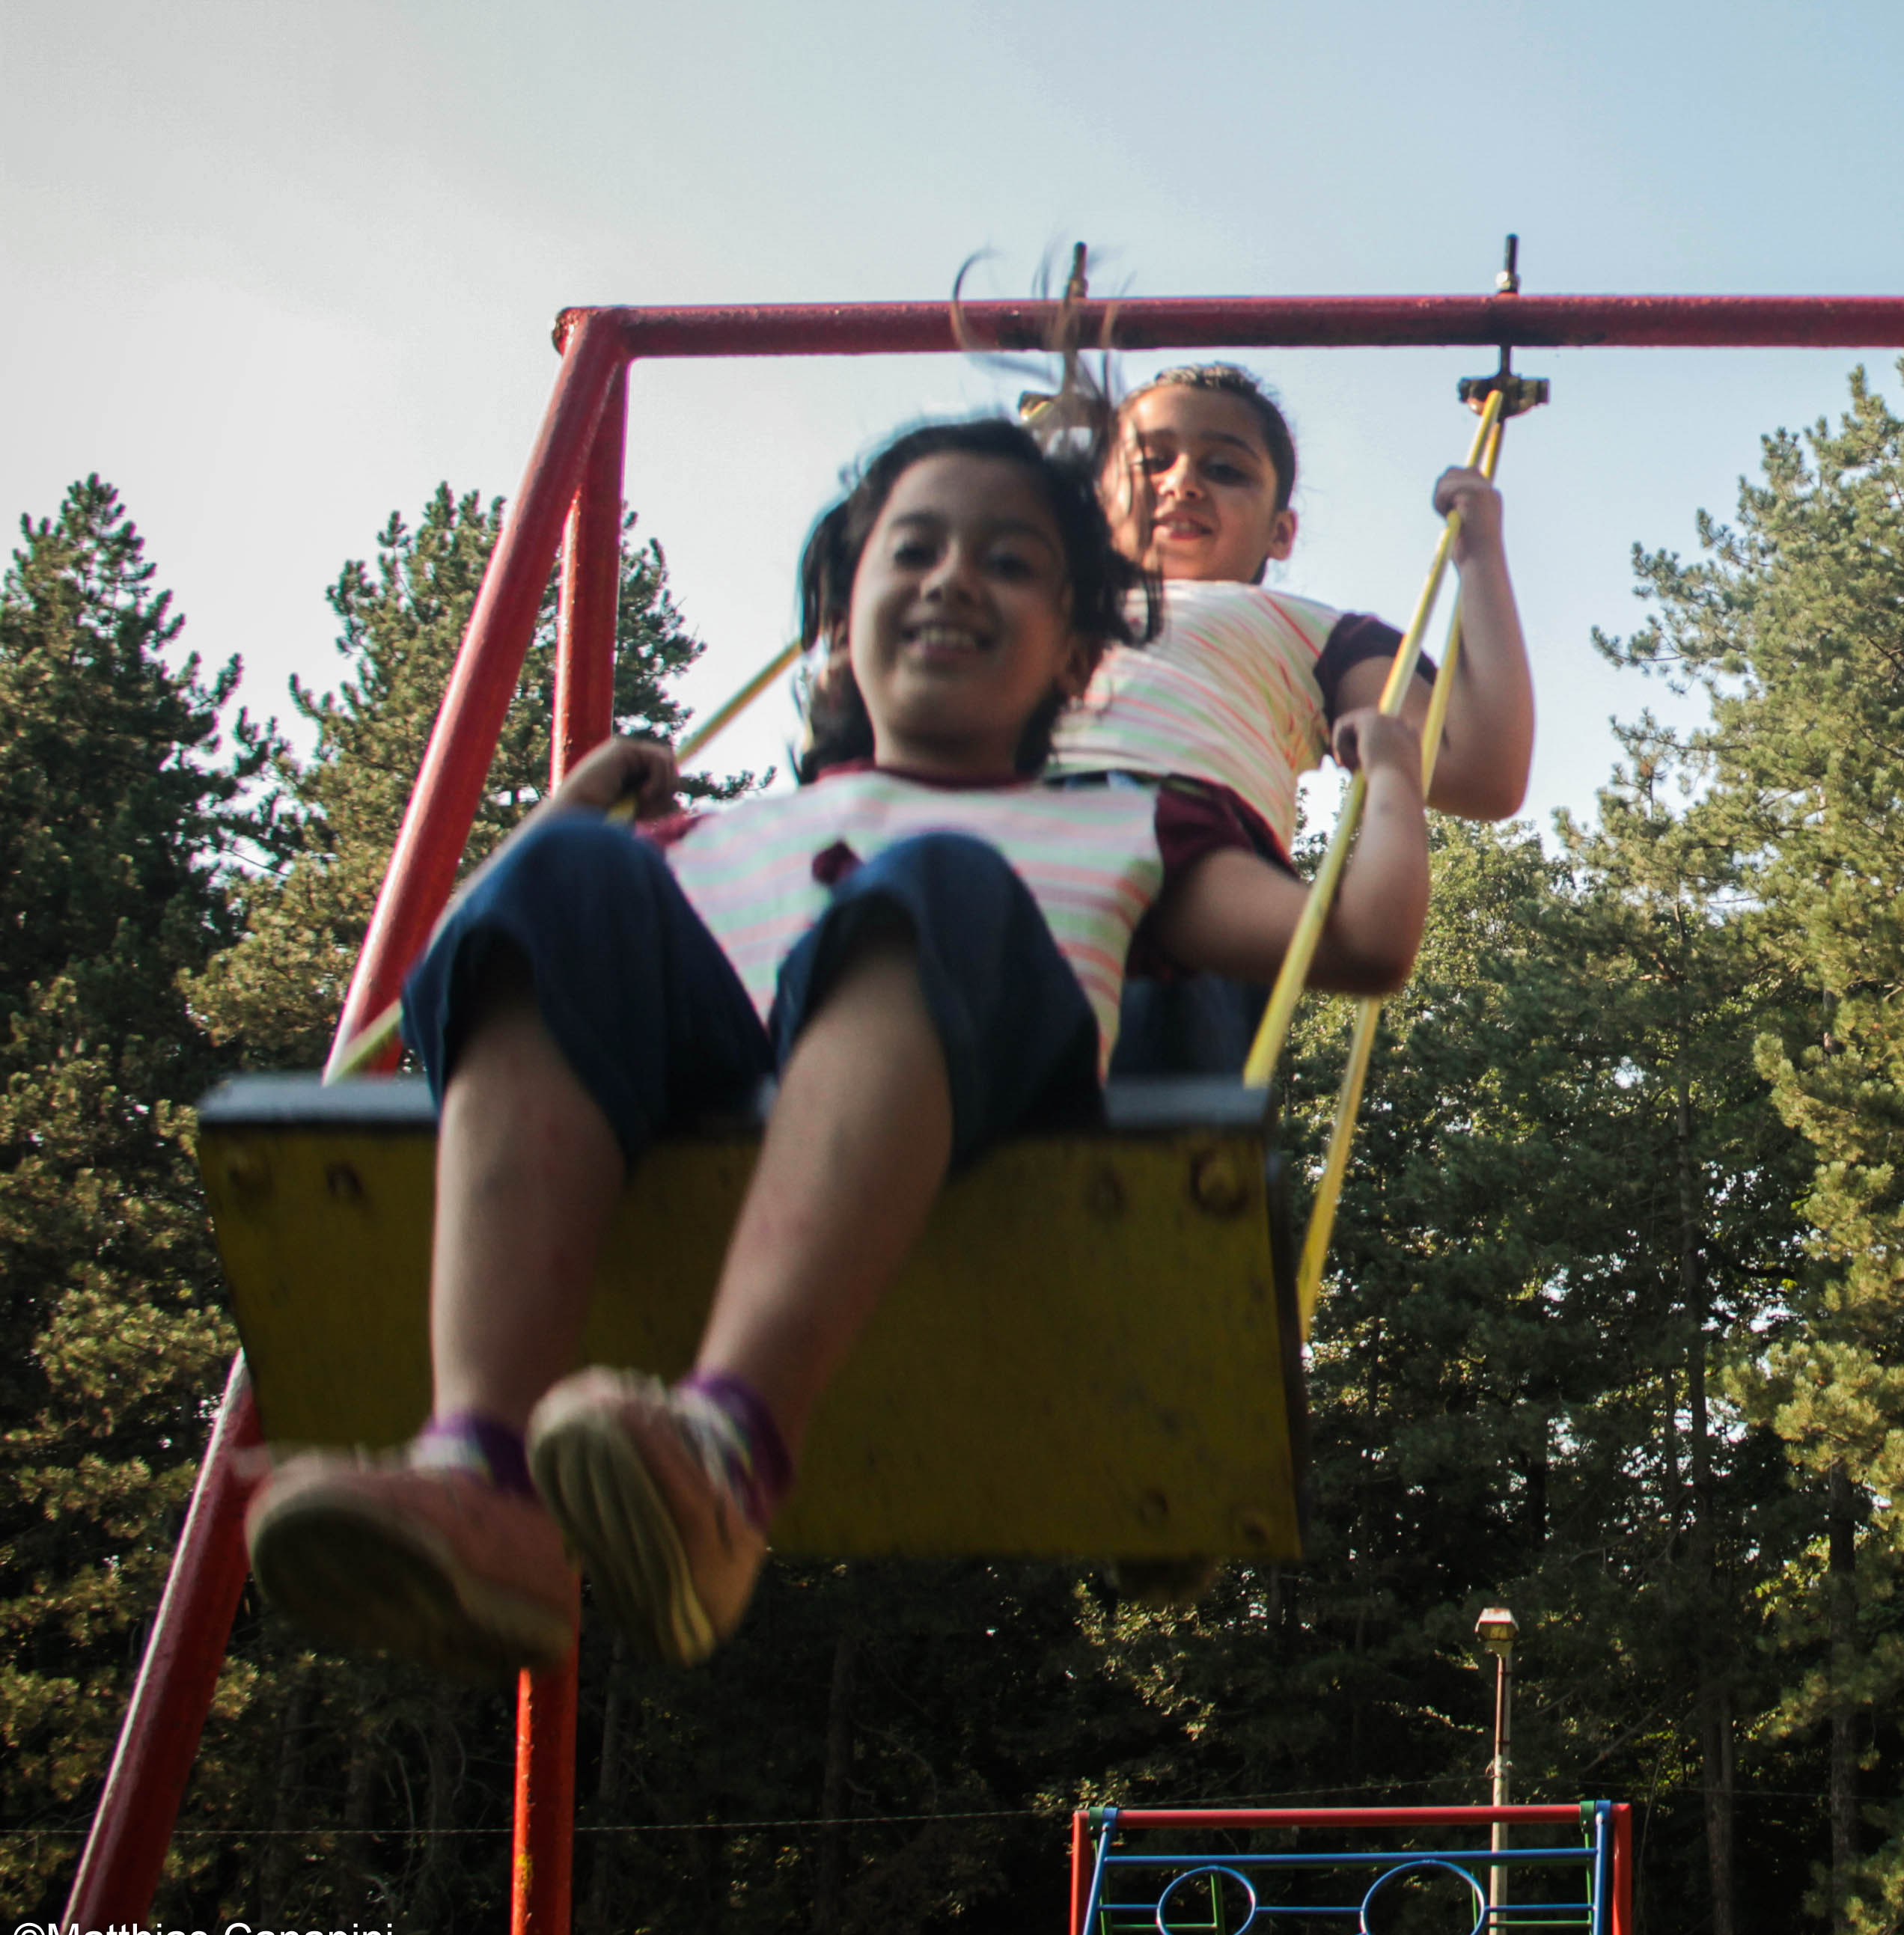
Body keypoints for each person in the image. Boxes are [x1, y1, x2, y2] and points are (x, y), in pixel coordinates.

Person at [245, 418, 1434, 1679]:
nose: (954, 577)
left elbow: (1353, 943)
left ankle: (727, 1452)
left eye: (1013, 564)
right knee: (566, 880)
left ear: (1082, 658)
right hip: (709, 1107)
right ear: (842, 617)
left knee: (930, 881)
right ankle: (484, 1472)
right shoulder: (717, 834)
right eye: (911, 549)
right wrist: (558, 823)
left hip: (977, 1147)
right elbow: (490, 983)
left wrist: (1396, 783)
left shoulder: (1130, 829)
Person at [1054, 364, 1532, 1071]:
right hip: (1006, 829)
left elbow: (1483, 770)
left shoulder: (1299, 627)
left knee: (1154, 1088)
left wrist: (1481, 554)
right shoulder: (1037, 603)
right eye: (1150, 462)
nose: (1182, 482)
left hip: (1182, 858)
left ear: (1281, 533)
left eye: (1224, 469)